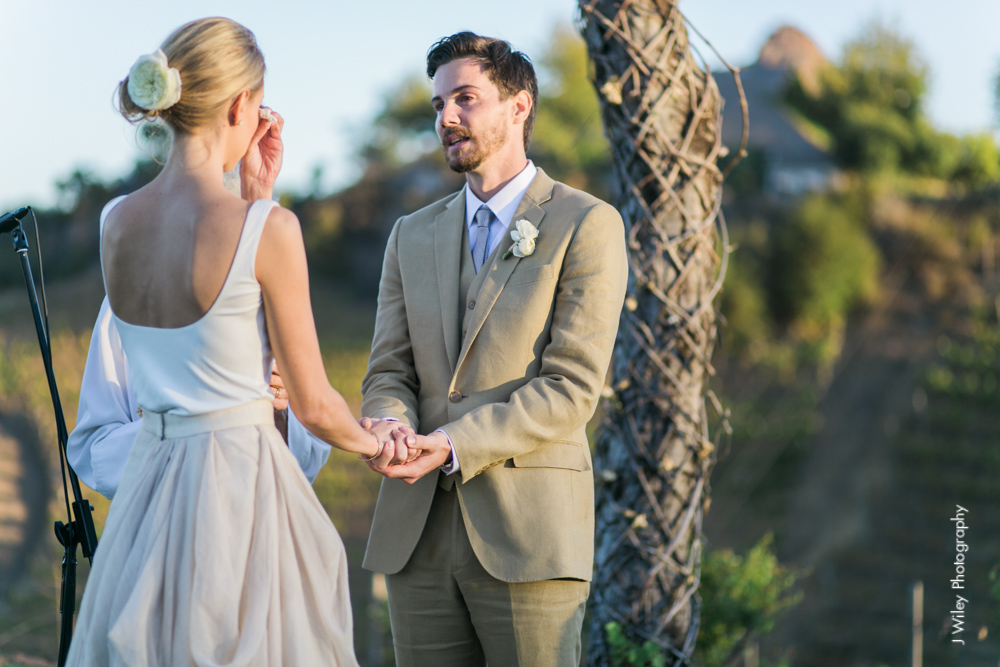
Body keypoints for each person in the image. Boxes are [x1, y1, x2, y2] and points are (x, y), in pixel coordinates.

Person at [65, 17, 407, 665]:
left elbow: (201, 348)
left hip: (150, 492)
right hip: (240, 496)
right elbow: (312, 405)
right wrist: (377, 442)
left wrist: (256, 198)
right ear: (240, 105)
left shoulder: (115, 222)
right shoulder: (270, 229)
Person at [359, 31, 628, 667]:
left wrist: (452, 444)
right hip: (415, 535)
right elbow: (388, 370)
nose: (446, 118)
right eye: (436, 105)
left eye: (465, 99)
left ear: (519, 106)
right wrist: (393, 426)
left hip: (528, 536)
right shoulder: (409, 234)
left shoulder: (587, 223)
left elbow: (571, 388)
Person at [68, 296, 333, 499]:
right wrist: (198, 412)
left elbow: (308, 455)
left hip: (258, 520)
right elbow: (96, 451)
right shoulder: (130, 287)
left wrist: (278, 410)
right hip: (163, 529)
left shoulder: (265, 276)